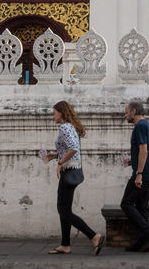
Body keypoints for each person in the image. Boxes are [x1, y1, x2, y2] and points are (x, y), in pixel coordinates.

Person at [43, 100, 104, 255]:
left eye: (54, 113)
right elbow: (69, 148)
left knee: (63, 211)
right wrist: (54, 156)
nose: (53, 116)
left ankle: (94, 236)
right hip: (72, 170)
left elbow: (73, 149)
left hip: (68, 171)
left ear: (61, 113)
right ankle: (65, 245)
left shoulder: (64, 127)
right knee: (65, 209)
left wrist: (60, 163)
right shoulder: (70, 127)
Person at [121, 99, 149, 252]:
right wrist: (132, 161)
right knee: (142, 208)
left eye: (126, 112)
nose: (125, 116)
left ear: (133, 112)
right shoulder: (148, 125)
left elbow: (144, 150)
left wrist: (139, 174)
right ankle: (144, 243)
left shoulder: (140, 126)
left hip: (143, 175)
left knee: (126, 204)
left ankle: (148, 232)